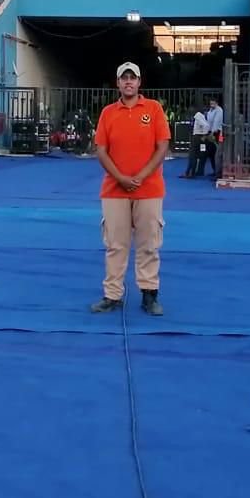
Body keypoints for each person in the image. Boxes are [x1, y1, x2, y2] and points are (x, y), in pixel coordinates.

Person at [90, 61, 171, 317]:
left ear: (139, 82)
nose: (128, 82)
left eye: (132, 78)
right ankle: (112, 295)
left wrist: (140, 177)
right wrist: (120, 178)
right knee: (116, 245)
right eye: (123, 78)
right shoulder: (108, 113)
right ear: (118, 83)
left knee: (149, 244)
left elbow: (162, 146)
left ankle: (149, 294)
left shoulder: (154, 109)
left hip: (149, 189)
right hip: (114, 190)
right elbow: (101, 149)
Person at [182, 101, 210, 178]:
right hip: (199, 137)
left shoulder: (197, 115)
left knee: (192, 155)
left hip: (197, 137)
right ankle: (195, 172)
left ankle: (190, 173)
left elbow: (206, 126)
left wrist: (204, 135)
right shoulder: (200, 115)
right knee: (200, 154)